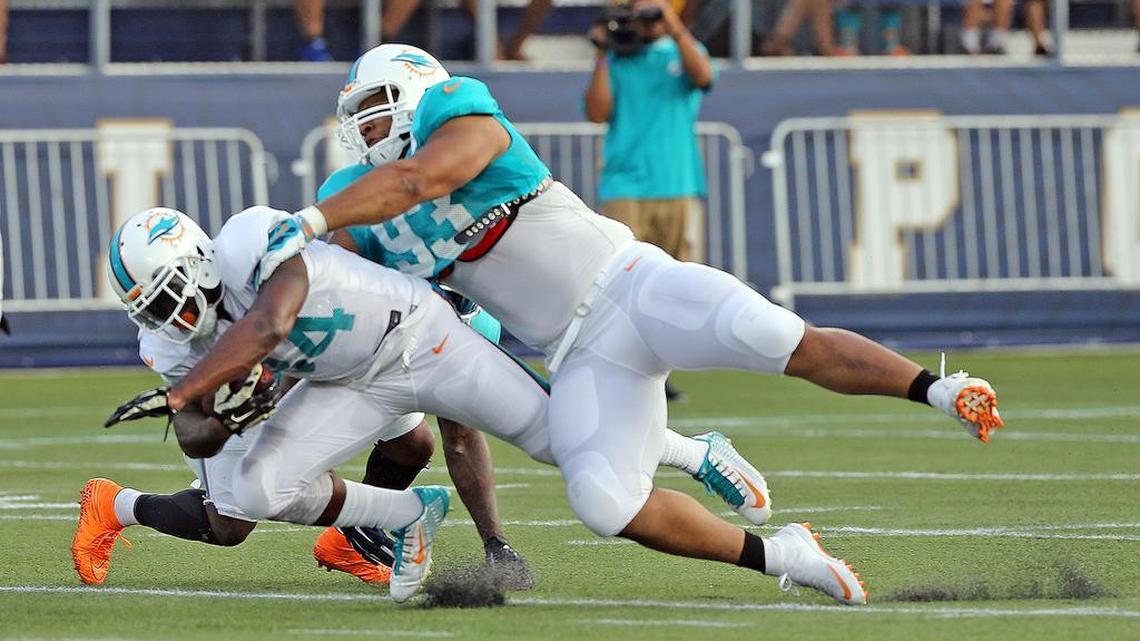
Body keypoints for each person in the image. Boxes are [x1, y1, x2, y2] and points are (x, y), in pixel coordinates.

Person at [252, 43, 1005, 605]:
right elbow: (329, 279)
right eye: (361, 117)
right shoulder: (355, 193)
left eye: (379, 105)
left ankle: (936, 389)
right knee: (605, 503)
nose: (369, 126)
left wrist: (309, 220)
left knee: (774, 335)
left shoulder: (459, 109)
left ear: (417, 90)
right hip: (576, 351)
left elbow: (423, 179)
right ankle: (784, 554)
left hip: (633, 284)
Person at [73, 208, 529, 587]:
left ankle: (349, 540)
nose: (173, 318)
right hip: (265, 382)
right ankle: (115, 505)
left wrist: (495, 543)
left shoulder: (249, 245)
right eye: (153, 308)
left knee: (413, 444)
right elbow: (194, 433)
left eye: (171, 296)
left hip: (318, 358)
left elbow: (461, 437)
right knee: (231, 524)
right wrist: (225, 421)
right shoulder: (165, 342)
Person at [585, 0, 711, 401]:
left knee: (676, 284)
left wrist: (673, 28)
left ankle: (660, 370)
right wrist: (604, 52)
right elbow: (596, 111)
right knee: (623, 280)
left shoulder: (681, 51)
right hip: (626, 185)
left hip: (677, 182)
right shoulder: (619, 61)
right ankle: (619, 366)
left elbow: (704, 76)